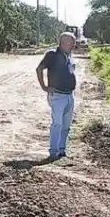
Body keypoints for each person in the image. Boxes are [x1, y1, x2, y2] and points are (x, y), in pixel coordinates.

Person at [36, 32, 77, 160]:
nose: (74, 45)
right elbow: (39, 69)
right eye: (72, 42)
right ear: (64, 42)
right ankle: (53, 152)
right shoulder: (52, 55)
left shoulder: (68, 55)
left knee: (66, 125)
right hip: (57, 95)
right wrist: (44, 87)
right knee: (57, 124)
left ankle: (61, 150)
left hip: (69, 95)